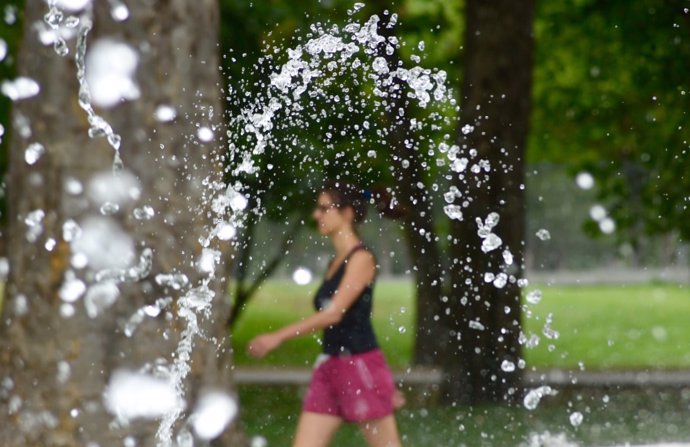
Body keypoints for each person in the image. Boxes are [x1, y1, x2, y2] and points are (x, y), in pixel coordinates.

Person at [247, 180, 403, 447]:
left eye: (323, 208)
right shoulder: (335, 262)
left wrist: (278, 337)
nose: (316, 215)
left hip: (359, 364)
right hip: (330, 366)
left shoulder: (361, 259)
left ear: (347, 214)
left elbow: (334, 314)